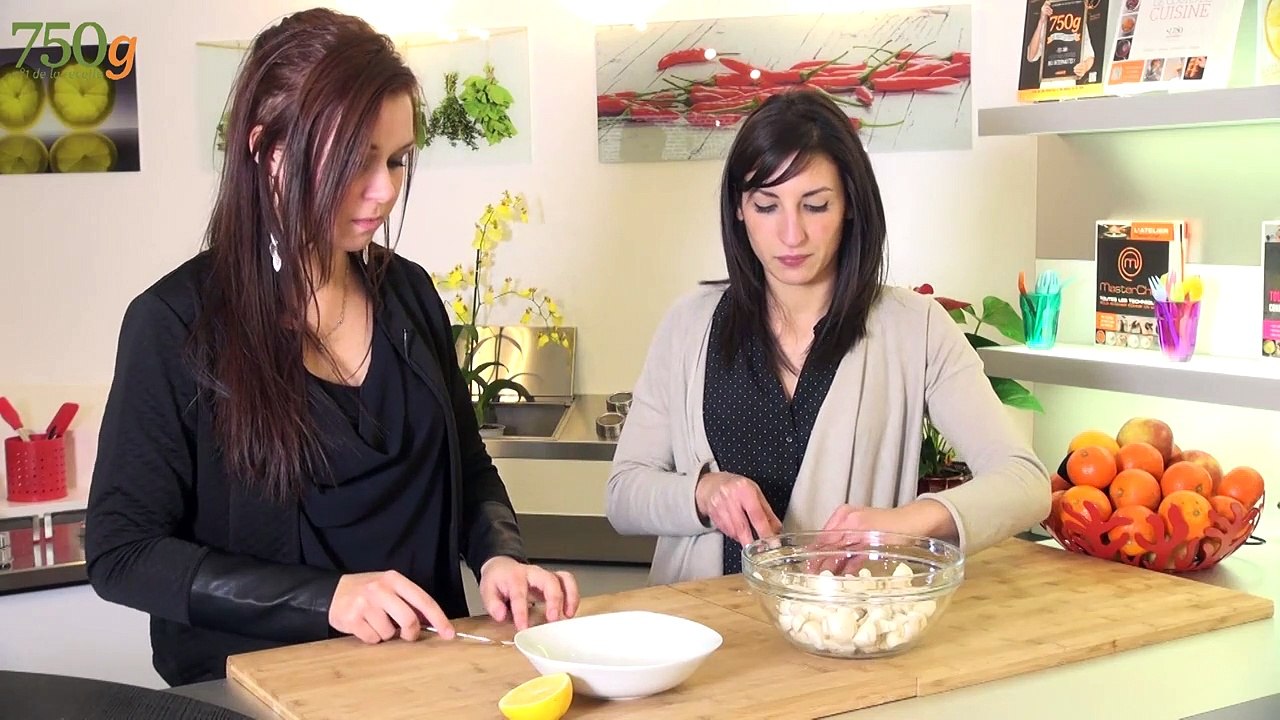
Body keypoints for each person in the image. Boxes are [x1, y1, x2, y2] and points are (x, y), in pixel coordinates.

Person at [85, 8, 577, 686]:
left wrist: (500, 556)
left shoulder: (409, 293)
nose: (385, 190)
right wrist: (332, 598)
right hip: (258, 691)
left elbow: (468, 465)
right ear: (267, 151)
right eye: (356, 159)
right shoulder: (174, 324)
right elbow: (122, 554)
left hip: (428, 677)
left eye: (398, 159)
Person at [605, 90, 1050, 585]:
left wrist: (904, 525)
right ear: (739, 210)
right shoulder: (689, 325)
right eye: (767, 206)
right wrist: (704, 493)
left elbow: (1025, 483)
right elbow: (623, 494)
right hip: (705, 634)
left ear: (850, 207)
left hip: (848, 635)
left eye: (815, 206)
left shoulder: (915, 329)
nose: (791, 235)